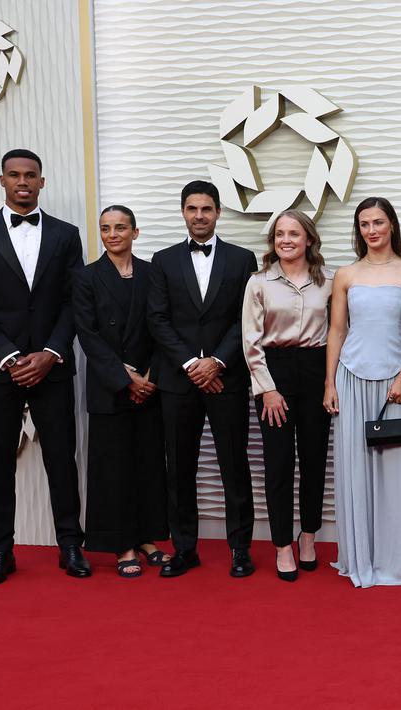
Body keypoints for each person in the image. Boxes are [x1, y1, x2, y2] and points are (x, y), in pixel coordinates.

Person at [0, 148, 89, 586]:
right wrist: (9, 356)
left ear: (42, 181)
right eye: (14, 175)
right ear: (2, 181)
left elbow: (74, 301)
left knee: (62, 459)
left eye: (30, 175)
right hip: (0, 370)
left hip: (53, 367)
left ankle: (70, 546)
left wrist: (50, 353)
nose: (23, 182)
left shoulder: (66, 235)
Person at [147, 180, 259, 578]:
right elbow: (157, 319)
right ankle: (184, 549)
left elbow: (245, 318)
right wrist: (192, 364)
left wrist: (216, 361)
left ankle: (240, 549)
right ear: (183, 212)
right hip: (178, 382)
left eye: (206, 209)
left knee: (235, 465)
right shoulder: (162, 260)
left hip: (226, 378)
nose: (199, 215)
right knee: (179, 468)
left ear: (218, 212)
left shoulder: (242, 259)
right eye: (192, 208)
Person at [324, 196, 401, 588]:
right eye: (364, 224)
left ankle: (394, 561)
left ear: (391, 225)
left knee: (396, 471)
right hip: (351, 378)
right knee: (356, 469)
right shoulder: (345, 274)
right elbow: (337, 330)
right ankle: (360, 556)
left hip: (398, 381)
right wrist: (329, 382)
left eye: (378, 222)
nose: (372, 230)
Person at [73, 205, 169, 578]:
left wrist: (149, 376)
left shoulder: (152, 273)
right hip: (110, 385)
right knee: (112, 469)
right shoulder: (86, 277)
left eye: (120, 227)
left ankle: (146, 537)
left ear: (135, 232)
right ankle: (122, 544)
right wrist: (125, 377)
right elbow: (87, 334)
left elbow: (162, 325)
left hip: (149, 384)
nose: (112, 234)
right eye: (105, 228)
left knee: (148, 465)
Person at [243, 209, 334, 582]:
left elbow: (339, 332)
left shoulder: (330, 281)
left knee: (314, 460)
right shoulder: (258, 282)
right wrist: (267, 390)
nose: (286, 240)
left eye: (294, 233)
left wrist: (331, 382)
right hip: (274, 371)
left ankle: (308, 536)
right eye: (279, 234)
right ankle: (282, 544)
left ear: (309, 239)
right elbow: (250, 341)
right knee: (278, 463)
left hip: (316, 370)